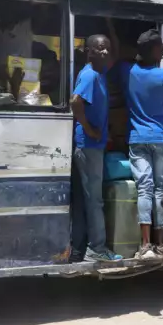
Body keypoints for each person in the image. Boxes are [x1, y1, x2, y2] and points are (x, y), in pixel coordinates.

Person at [120, 29, 163, 260]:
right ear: (152, 50)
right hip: (159, 138)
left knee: (144, 189)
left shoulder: (127, 72)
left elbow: (121, 58)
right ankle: (161, 244)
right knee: (160, 189)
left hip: (137, 139)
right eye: (160, 47)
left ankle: (145, 245)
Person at [70, 34, 123, 263]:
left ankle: (81, 249)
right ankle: (97, 249)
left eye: (107, 49)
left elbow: (116, 56)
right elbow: (75, 102)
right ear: (89, 51)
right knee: (95, 201)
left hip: (94, 146)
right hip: (89, 146)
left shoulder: (100, 72)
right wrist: (89, 129)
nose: (104, 52)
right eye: (99, 49)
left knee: (87, 199)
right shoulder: (91, 75)